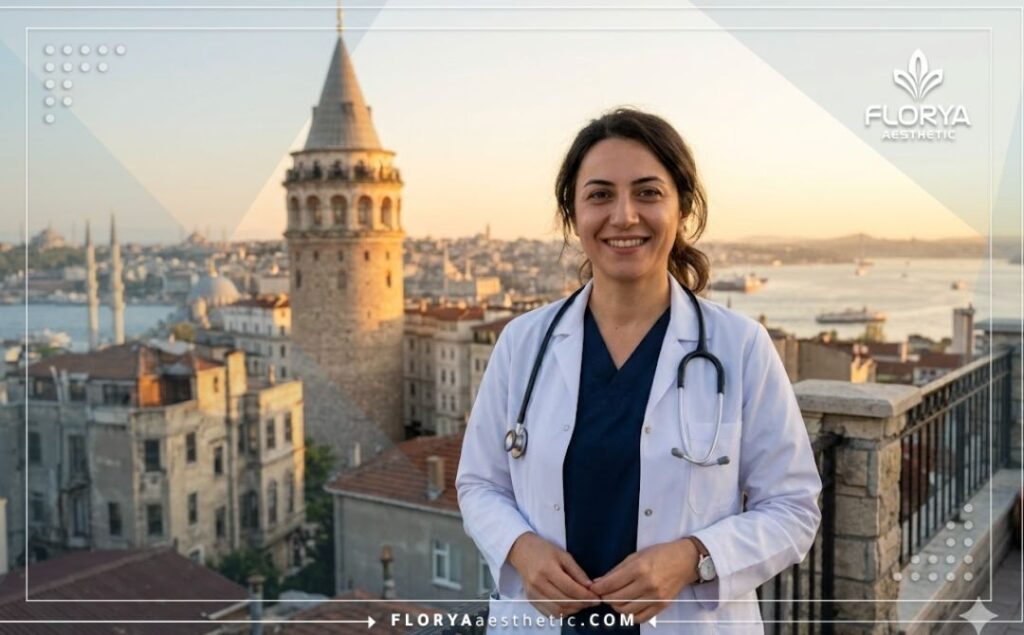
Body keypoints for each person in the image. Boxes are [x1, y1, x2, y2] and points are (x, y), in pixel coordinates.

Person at [456, 107, 823, 635]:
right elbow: (478, 483)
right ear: (572, 215)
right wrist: (521, 549)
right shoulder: (523, 343)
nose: (624, 216)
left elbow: (792, 509)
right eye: (600, 195)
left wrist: (694, 557)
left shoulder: (740, 347)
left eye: (648, 193)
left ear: (682, 209)